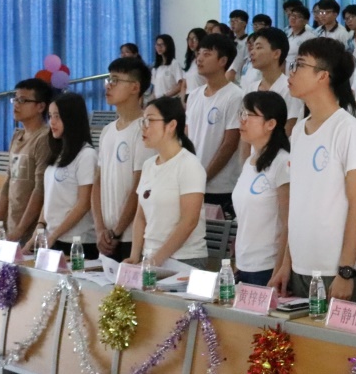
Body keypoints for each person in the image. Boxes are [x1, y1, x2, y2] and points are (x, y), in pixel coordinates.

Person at [273, 38, 356, 302]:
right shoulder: (298, 131)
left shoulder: (348, 129)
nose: (291, 72)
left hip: (335, 271)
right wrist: (286, 264)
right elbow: (298, 204)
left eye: (300, 65)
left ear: (323, 76)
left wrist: (346, 271)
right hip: (300, 266)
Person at [130, 97, 209, 267]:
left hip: (185, 259)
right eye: (143, 121)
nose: (144, 127)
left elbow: (189, 221)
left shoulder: (189, 165)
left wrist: (155, 261)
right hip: (149, 258)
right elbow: (140, 217)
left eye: (150, 120)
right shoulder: (148, 165)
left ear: (171, 125)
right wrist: (134, 256)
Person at [92, 57, 152, 261]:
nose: (108, 85)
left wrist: (117, 231)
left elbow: (139, 187)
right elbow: (97, 182)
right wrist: (100, 229)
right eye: (109, 79)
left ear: (135, 87)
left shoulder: (145, 129)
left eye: (115, 80)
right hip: (106, 237)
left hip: (131, 237)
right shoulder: (107, 130)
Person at [0, 78, 52, 245]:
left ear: (41, 107)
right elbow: (8, 182)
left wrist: (21, 229)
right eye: (15, 99)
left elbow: (40, 189)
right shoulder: (17, 136)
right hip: (12, 225)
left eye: (23, 100)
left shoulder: (44, 138)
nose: (16, 105)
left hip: (33, 231)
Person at [231, 91, 291, 286]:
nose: (242, 120)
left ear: (270, 124)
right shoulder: (250, 162)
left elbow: (288, 223)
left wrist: (278, 270)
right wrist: (238, 262)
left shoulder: (282, 163)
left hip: (267, 267)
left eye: (249, 115)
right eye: (241, 114)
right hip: (244, 265)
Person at [185, 33, 244, 218]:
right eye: (199, 53)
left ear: (223, 61)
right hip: (192, 184)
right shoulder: (194, 96)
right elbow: (186, 138)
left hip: (221, 188)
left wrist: (203, 177)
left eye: (207, 54)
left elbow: (229, 144)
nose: (199, 58)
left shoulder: (235, 96)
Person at [33, 92, 98, 259]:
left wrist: (54, 235)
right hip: (54, 237)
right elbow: (50, 197)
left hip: (77, 241)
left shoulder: (86, 155)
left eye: (57, 116)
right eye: (50, 116)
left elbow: (84, 204)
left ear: (72, 118)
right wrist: (40, 227)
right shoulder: (58, 153)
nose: (52, 122)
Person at [151, 34, 185, 99]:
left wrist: (165, 96)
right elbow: (155, 90)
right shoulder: (156, 67)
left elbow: (180, 85)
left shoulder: (174, 63)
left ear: (168, 46)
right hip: (158, 101)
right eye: (157, 45)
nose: (159, 47)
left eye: (162, 44)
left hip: (170, 100)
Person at [227, 10, 251, 82]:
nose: (232, 23)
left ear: (244, 23)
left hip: (240, 79)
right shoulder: (230, 41)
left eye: (236, 21)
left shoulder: (248, 41)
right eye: (231, 21)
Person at [181, 28, 206, 93]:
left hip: (201, 95)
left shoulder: (206, 60)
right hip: (188, 96)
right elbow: (184, 85)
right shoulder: (190, 61)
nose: (191, 42)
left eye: (194, 39)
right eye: (189, 39)